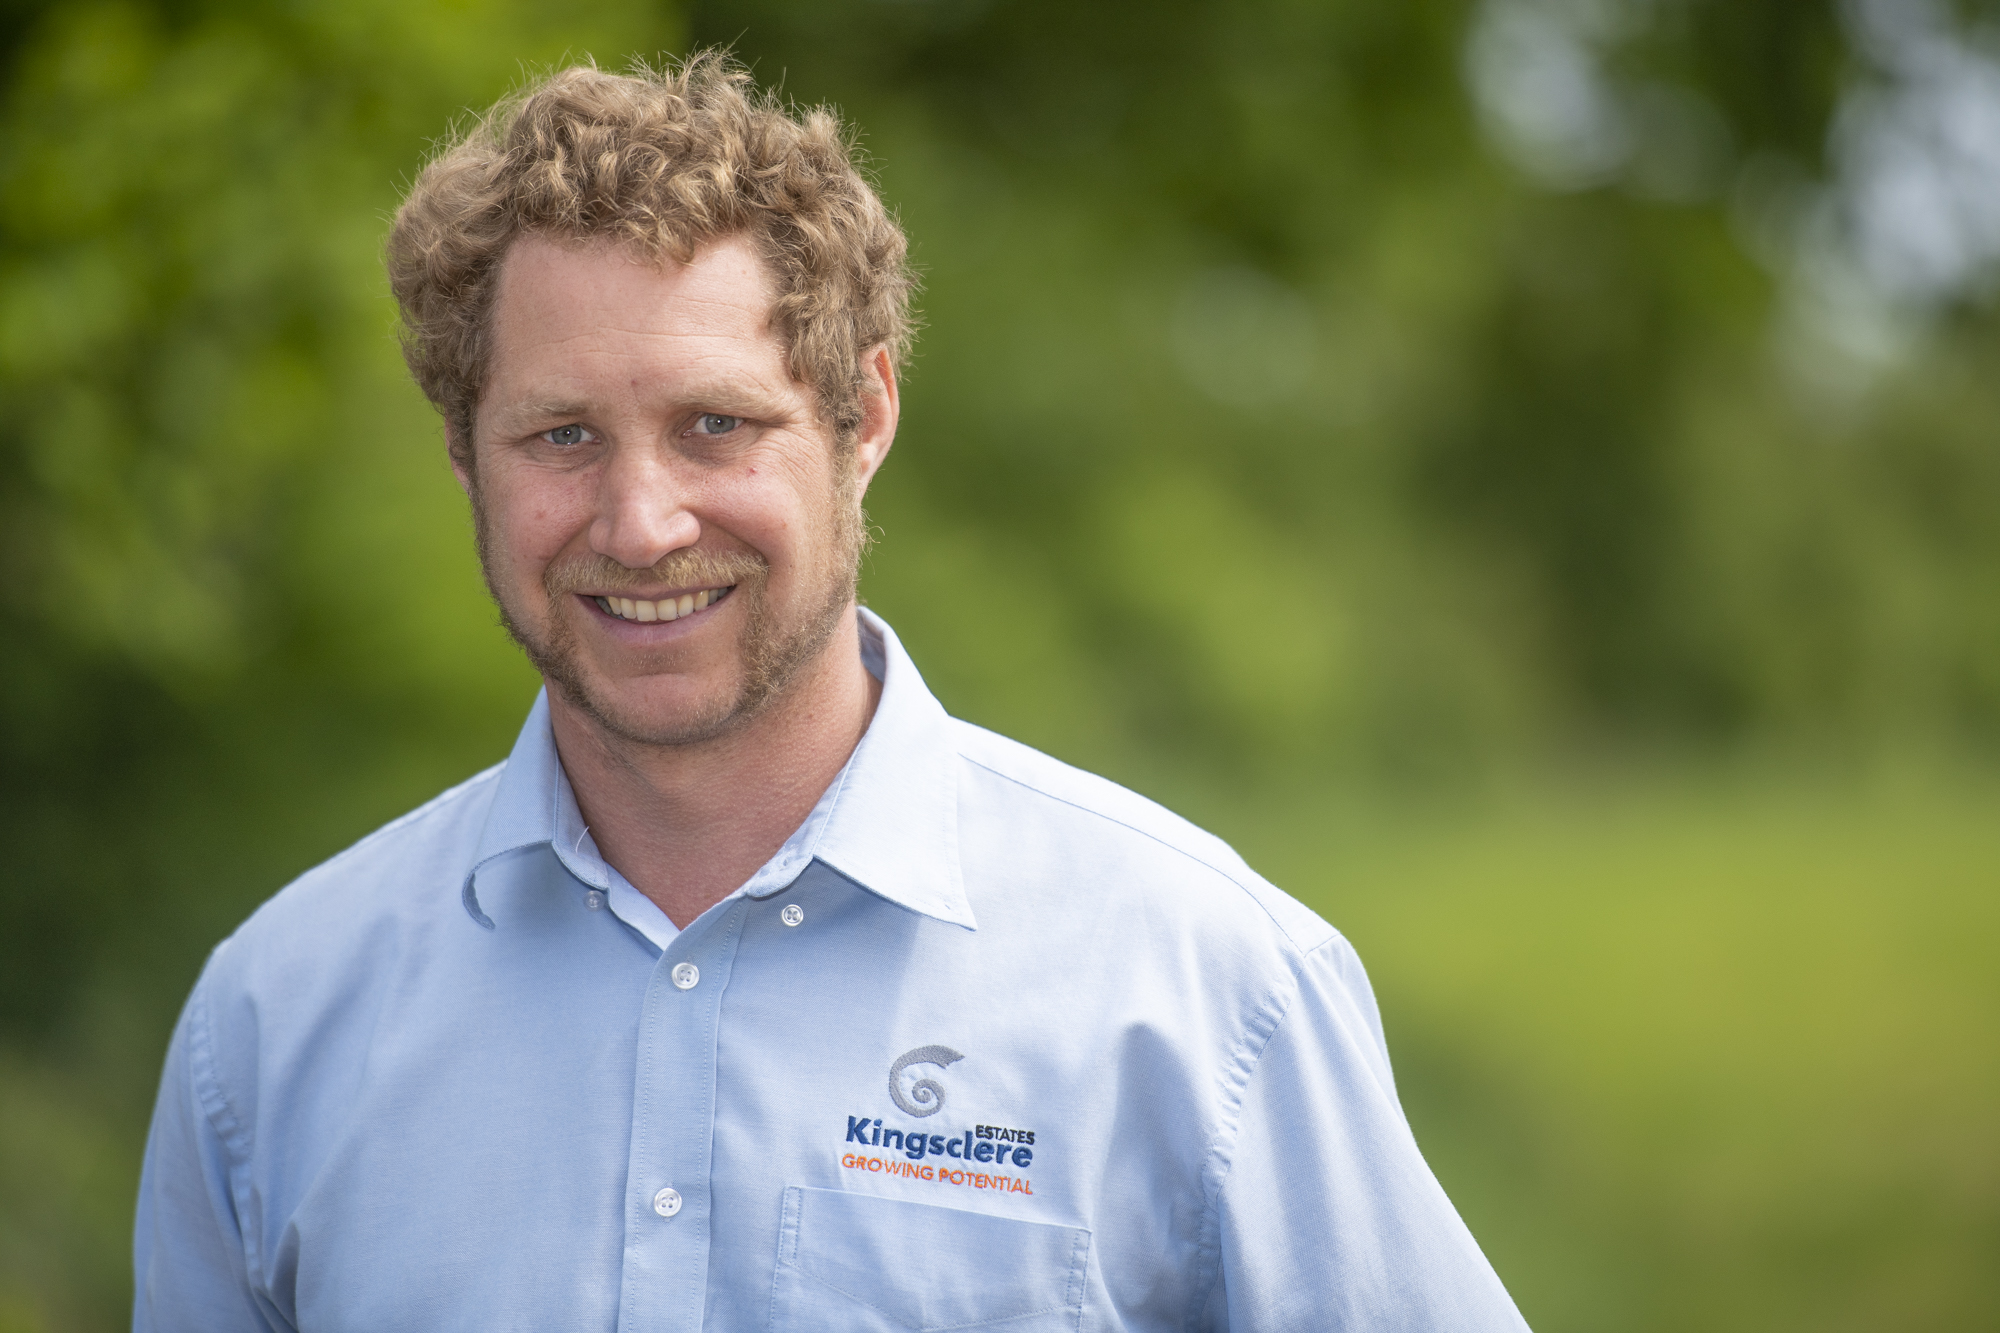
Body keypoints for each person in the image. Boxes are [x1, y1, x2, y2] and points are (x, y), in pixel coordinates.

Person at [133, 56, 1531, 1332]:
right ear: (463, 455)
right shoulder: (272, 1023)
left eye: (715, 426)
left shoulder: (1203, 991)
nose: (639, 521)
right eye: (562, 435)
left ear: (863, 417)